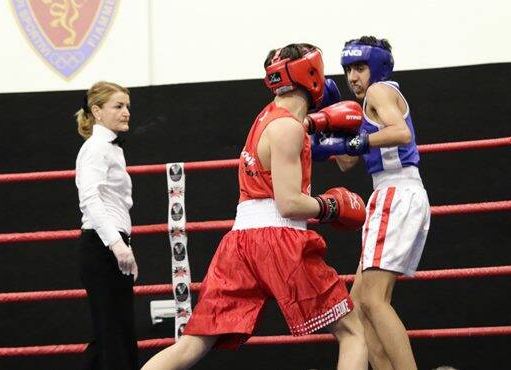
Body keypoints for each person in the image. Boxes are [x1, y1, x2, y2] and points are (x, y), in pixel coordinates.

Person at [141, 43, 368, 370]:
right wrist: (331, 206)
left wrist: (319, 122)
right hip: (279, 240)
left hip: (239, 244)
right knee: (353, 331)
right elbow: (288, 203)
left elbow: (307, 140)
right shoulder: (287, 128)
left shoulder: (267, 118)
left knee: (193, 345)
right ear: (312, 74)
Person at [311, 36, 431, 370]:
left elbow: (399, 133)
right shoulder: (365, 108)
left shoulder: (380, 92)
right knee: (358, 304)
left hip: (397, 192)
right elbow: (349, 160)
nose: (352, 77)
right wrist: (323, 136)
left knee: (375, 301)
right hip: (388, 195)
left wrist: (357, 141)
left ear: (376, 67)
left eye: (360, 68)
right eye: (348, 69)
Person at [75, 81, 139, 370]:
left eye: (127, 106)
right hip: (102, 247)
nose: (126, 112)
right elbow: (90, 199)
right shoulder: (96, 148)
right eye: (118, 106)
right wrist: (116, 245)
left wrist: (124, 246)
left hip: (111, 246)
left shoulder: (111, 148)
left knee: (115, 334)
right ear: (97, 111)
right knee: (113, 335)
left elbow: (114, 205)